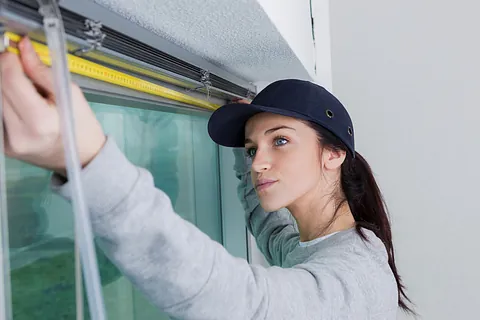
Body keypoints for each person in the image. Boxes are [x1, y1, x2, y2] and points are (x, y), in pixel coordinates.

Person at [1, 37, 415, 319]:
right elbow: (270, 229)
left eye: (281, 141)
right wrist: (244, 148)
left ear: (334, 154)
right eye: (253, 149)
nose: (257, 164)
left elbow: (242, 303)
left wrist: (89, 161)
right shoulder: (323, 243)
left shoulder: (354, 279)